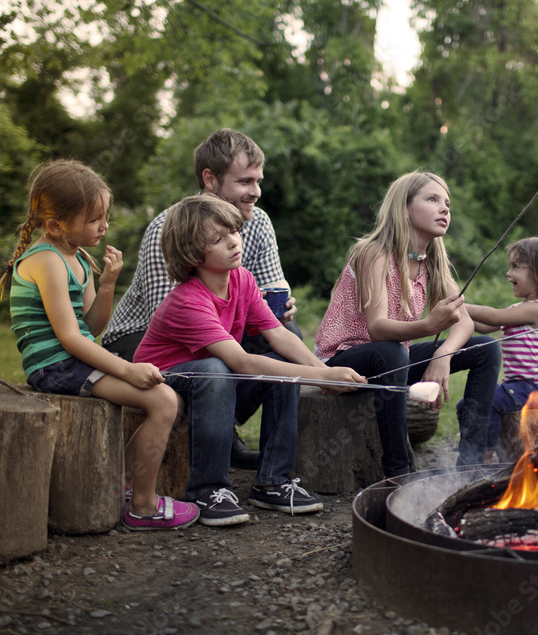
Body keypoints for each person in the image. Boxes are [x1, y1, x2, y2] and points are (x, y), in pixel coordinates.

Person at [134, 194, 365, 526]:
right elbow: (241, 363)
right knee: (219, 369)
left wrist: (324, 371)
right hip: (164, 385)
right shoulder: (187, 299)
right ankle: (208, 489)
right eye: (218, 239)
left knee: (277, 367)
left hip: (214, 385)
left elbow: (280, 335)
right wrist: (320, 377)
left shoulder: (242, 279)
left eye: (233, 232)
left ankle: (273, 481)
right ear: (192, 254)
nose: (233, 242)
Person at [0, 160, 199, 530]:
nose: (104, 226)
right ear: (56, 225)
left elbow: (91, 326)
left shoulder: (79, 257)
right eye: (94, 219)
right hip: (54, 366)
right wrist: (126, 369)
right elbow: (69, 338)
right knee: (165, 400)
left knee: (165, 397)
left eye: (105, 216)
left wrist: (107, 286)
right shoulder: (46, 260)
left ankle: (118, 486)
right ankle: (142, 505)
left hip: (72, 358)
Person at [101, 128, 291, 468]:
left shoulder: (259, 223)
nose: (256, 192)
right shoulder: (170, 227)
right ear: (210, 179)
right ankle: (207, 447)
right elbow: (170, 314)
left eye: (258, 181)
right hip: (140, 338)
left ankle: (269, 470)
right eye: (245, 182)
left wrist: (278, 311)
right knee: (214, 365)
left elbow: (271, 286)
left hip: (220, 328)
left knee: (286, 340)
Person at [314, 171, 502, 474]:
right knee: (390, 351)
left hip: (391, 363)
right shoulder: (373, 252)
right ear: (404, 208)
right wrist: (429, 326)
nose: (444, 209)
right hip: (344, 362)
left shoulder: (431, 260)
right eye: (432, 199)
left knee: (486, 348)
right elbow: (377, 328)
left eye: (447, 203)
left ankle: (469, 464)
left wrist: (442, 355)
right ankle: (397, 473)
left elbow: (464, 322)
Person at [466, 237, 538, 461]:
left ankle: (484, 453)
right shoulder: (520, 308)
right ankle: (471, 447)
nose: (509, 273)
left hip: (534, 389)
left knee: (491, 401)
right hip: (516, 387)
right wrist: (456, 315)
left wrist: (460, 304)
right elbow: (486, 327)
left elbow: (494, 316)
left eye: (516, 267)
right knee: (467, 402)